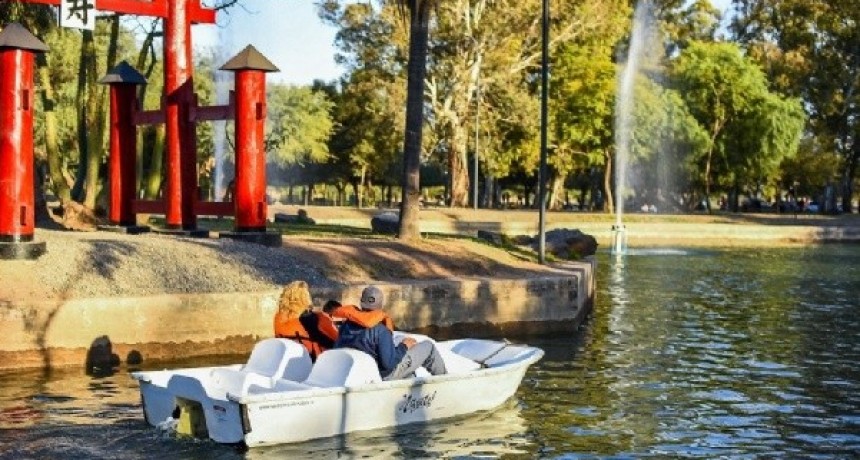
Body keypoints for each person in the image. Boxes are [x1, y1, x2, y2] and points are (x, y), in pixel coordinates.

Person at [333, 285, 447, 380]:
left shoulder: (346, 325)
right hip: (384, 375)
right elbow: (389, 363)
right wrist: (404, 346)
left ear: (361, 303)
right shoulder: (381, 331)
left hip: (363, 373)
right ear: (380, 305)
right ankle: (447, 383)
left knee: (408, 368)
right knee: (428, 347)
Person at [272, 280, 339, 361]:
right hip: (314, 360)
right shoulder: (313, 317)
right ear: (305, 297)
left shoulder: (278, 317)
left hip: (288, 358)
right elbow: (336, 341)